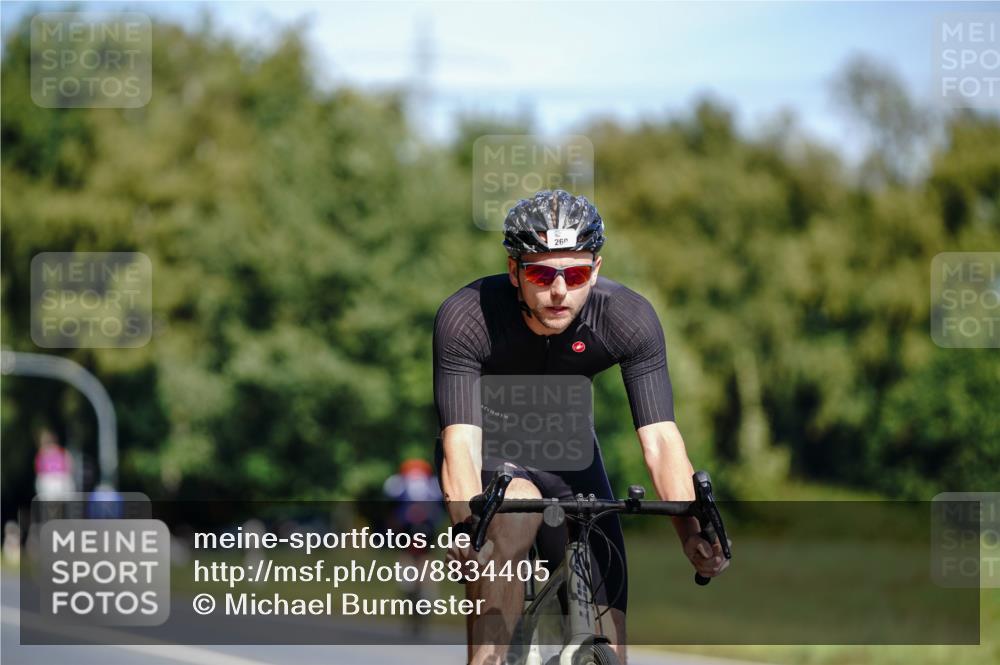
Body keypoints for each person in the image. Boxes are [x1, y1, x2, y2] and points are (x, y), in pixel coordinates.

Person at [433, 190, 729, 664]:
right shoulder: (467, 316)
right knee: (515, 514)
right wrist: (470, 529)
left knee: (612, 638)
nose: (558, 291)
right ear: (514, 271)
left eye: (573, 274)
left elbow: (660, 442)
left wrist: (691, 530)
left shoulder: (627, 317)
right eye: (540, 274)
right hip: (492, 449)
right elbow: (459, 444)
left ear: (594, 269)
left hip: (570, 453)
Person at [383, 458, 446, 634]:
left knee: (407, 557)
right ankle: (426, 593)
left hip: (407, 527)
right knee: (426, 560)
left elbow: (391, 505)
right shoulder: (433, 485)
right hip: (427, 528)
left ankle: (409, 586)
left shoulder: (397, 484)